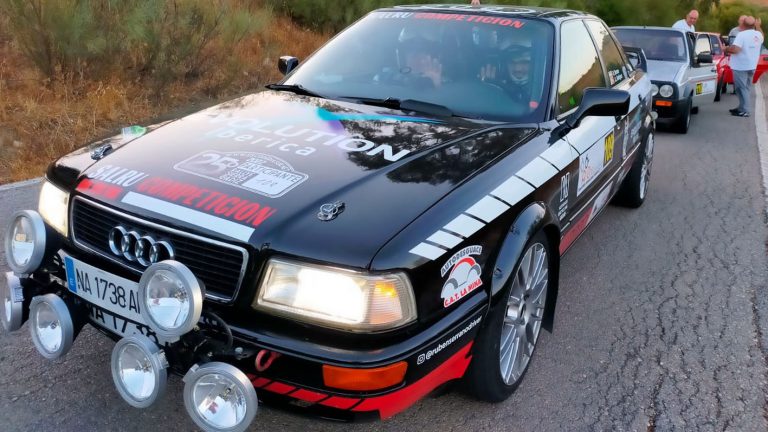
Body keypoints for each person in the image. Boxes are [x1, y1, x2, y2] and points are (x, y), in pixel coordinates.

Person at [725, 16, 764, 117]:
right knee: (745, 88)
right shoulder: (758, 34)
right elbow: (762, 37)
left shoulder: (741, 35)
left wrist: (725, 49)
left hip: (740, 66)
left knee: (741, 88)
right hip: (751, 66)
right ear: (754, 24)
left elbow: (735, 50)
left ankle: (745, 110)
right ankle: (741, 108)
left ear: (743, 24)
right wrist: (758, 26)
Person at [479, 42, 534, 106]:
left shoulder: (544, 87)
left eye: (525, 62)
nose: (517, 69)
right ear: (503, 66)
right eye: (511, 62)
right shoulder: (496, 85)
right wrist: (489, 90)